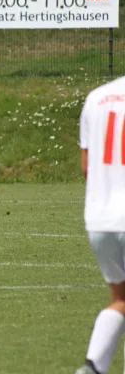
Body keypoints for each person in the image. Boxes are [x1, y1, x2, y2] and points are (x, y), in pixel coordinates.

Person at [75, 76, 125, 374]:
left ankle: (93, 369)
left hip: (101, 220)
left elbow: (86, 165)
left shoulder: (97, 97)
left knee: (120, 300)